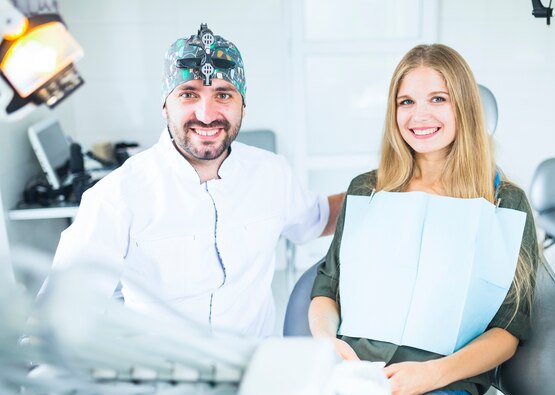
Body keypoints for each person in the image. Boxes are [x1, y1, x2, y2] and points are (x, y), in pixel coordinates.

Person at [46, 23, 344, 337]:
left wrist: (392, 184)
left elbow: (319, 217)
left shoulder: (271, 174)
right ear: (165, 105)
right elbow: (62, 308)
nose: (206, 113)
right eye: (189, 94)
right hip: (162, 377)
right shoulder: (117, 196)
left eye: (223, 94)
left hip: (254, 369)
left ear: (243, 104)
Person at [308, 44, 539, 395]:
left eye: (437, 98)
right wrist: (326, 341)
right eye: (406, 102)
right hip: (354, 376)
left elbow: (508, 329)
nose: (420, 115)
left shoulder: (502, 203)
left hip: (440, 388)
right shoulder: (367, 191)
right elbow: (325, 288)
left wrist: (430, 375)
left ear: (463, 106)